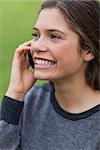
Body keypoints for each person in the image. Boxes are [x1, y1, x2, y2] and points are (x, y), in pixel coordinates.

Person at [0, 0, 100, 149]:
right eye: (36, 35)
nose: (37, 46)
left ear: (89, 50)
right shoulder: (30, 100)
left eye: (54, 36)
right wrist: (15, 93)